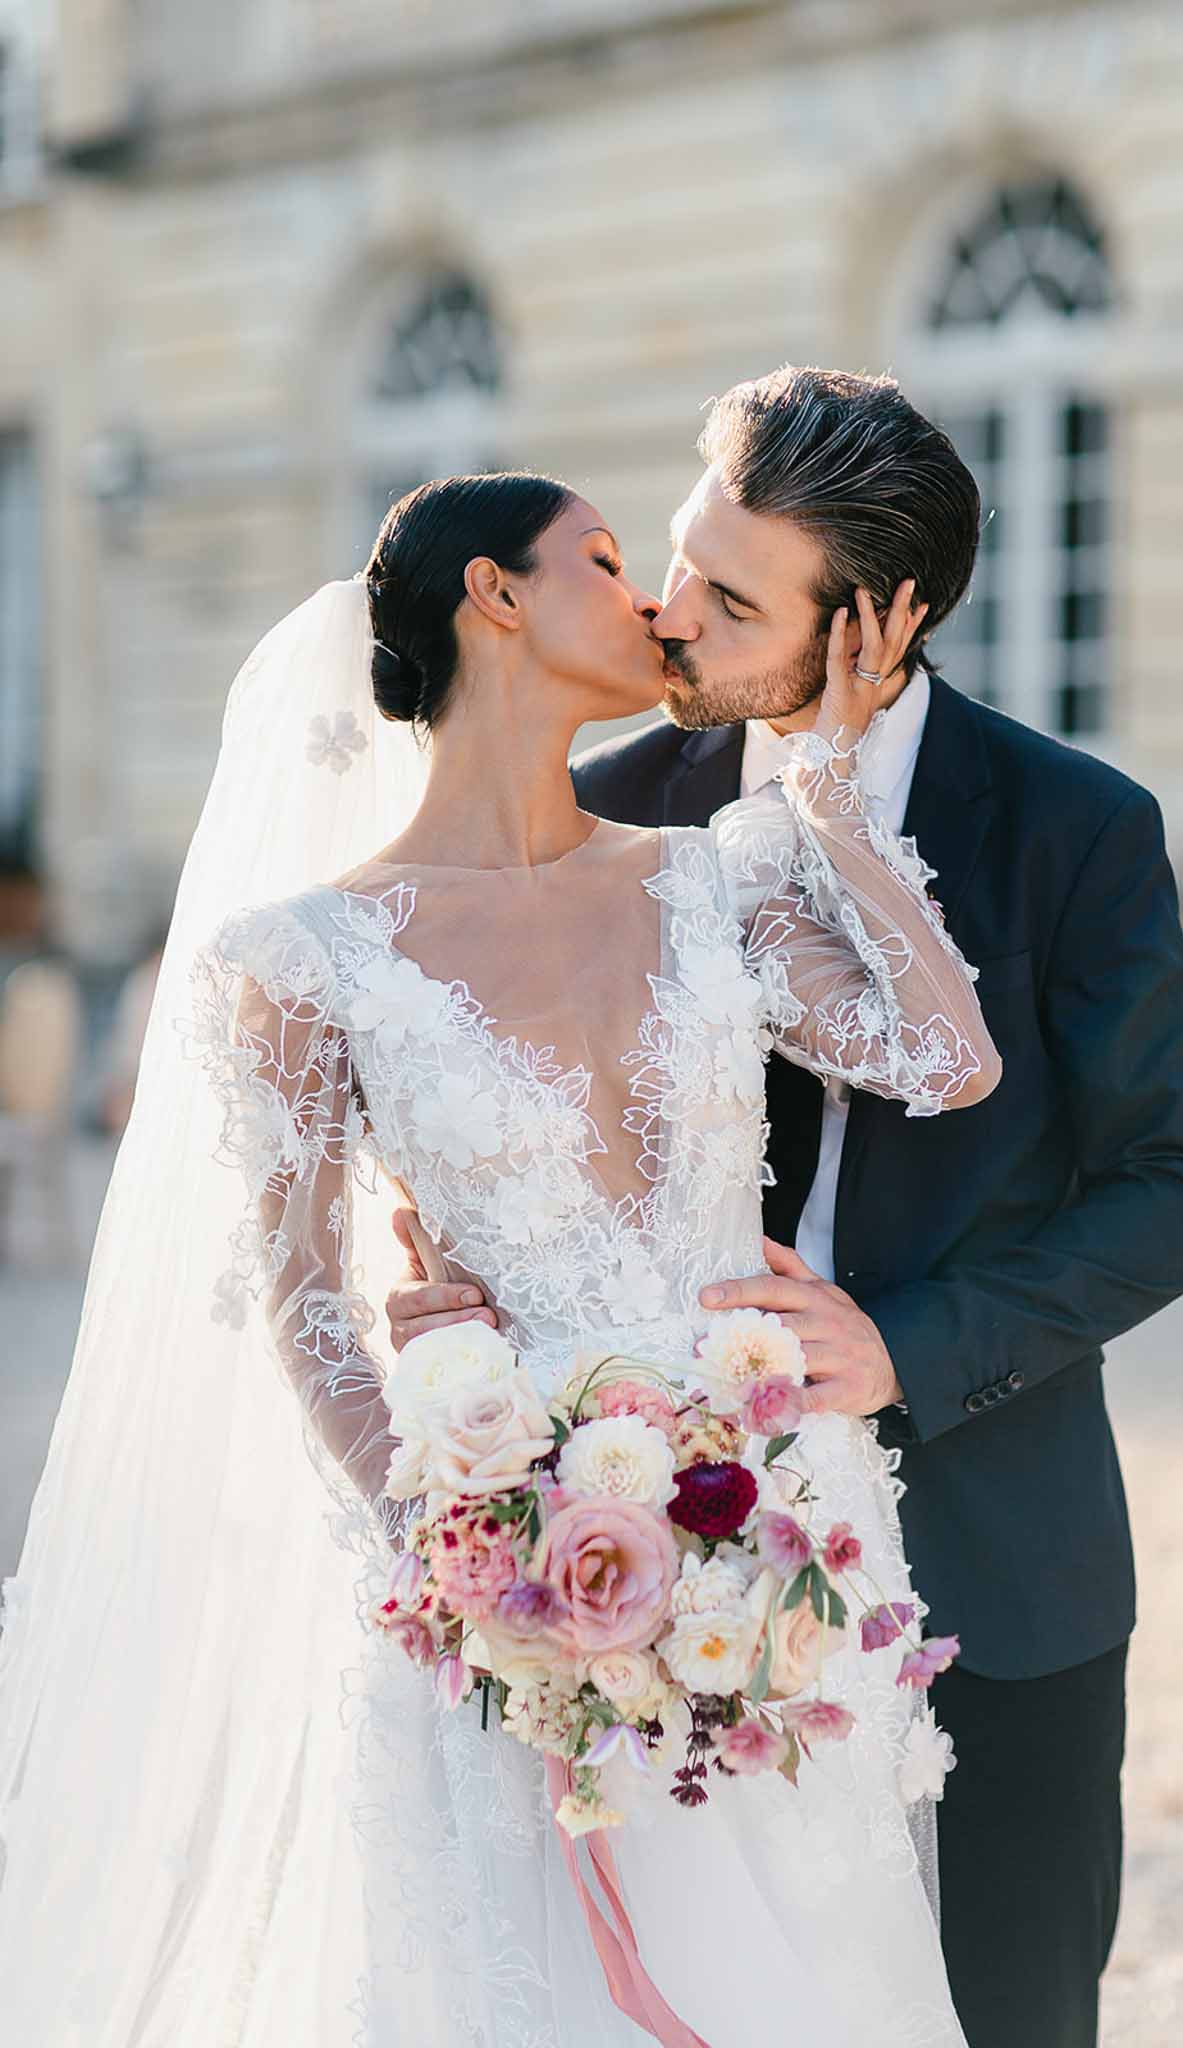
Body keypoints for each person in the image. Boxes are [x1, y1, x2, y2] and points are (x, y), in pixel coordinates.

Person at [0, 463, 997, 2046]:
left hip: (773, 1532)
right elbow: (305, 1296)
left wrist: (820, 789)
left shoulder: (713, 874)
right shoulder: (302, 961)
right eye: (607, 560)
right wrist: (458, 1547)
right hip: (508, 1584)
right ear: (497, 595)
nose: (658, 603)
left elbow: (941, 1059)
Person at [387, 367, 1183, 2048]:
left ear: (874, 619)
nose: (668, 609)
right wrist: (456, 1296)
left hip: (1003, 1552)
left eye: (729, 594)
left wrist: (906, 1347)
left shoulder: (1074, 828)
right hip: (665, 1539)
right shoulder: (619, 803)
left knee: (1013, 2011)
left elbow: (1181, 1186)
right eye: (680, 561)